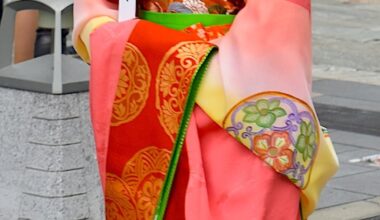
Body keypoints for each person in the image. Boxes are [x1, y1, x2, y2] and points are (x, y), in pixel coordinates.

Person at [73, 0, 339, 219]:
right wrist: (104, 28)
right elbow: (96, 9)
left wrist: (170, 56)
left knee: (249, 201)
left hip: (240, 93)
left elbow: (276, 16)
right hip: (152, 85)